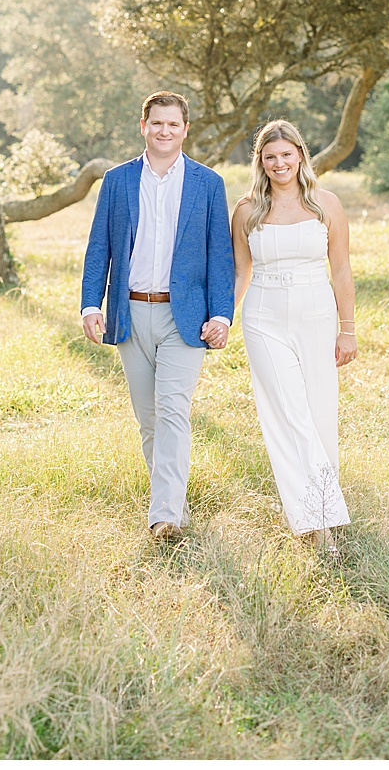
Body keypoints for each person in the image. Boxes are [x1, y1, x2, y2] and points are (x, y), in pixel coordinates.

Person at [80, 92, 234, 541]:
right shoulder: (117, 181)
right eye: (157, 123)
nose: (165, 131)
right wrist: (92, 304)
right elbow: (99, 249)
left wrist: (222, 315)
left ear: (185, 130)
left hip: (184, 317)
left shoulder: (208, 184)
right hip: (130, 313)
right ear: (143, 126)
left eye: (174, 124)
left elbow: (220, 257)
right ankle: (171, 498)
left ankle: (165, 516)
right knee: (149, 419)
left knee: (172, 413)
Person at [230, 119, 357, 558]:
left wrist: (348, 330)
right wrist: (221, 318)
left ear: (300, 154)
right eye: (270, 157)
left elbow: (340, 269)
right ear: (260, 163)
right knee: (287, 415)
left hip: (317, 315)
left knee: (320, 415)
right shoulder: (247, 209)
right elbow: (242, 271)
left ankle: (321, 508)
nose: (279, 163)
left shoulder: (326, 204)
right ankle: (316, 523)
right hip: (264, 317)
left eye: (286, 154)